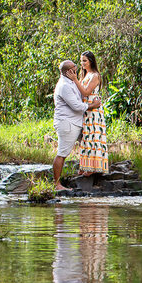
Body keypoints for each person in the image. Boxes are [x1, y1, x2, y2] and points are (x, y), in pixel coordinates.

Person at [53, 59, 101, 192]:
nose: (78, 67)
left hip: (75, 122)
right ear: (69, 71)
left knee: (87, 143)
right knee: (62, 153)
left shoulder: (71, 81)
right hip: (67, 123)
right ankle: (56, 184)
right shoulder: (64, 85)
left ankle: (88, 168)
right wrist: (93, 105)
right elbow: (77, 106)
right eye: (74, 66)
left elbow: (82, 93)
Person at [72, 51, 109, 175]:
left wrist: (75, 80)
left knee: (93, 137)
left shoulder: (95, 75)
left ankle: (93, 167)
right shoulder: (86, 75)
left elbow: (87, 92)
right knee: (85, 138)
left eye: (84, 61)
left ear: (91, 61)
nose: (82, 63)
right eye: (81, 60)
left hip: (93, 111)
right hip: (86, 109)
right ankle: (85, 166)